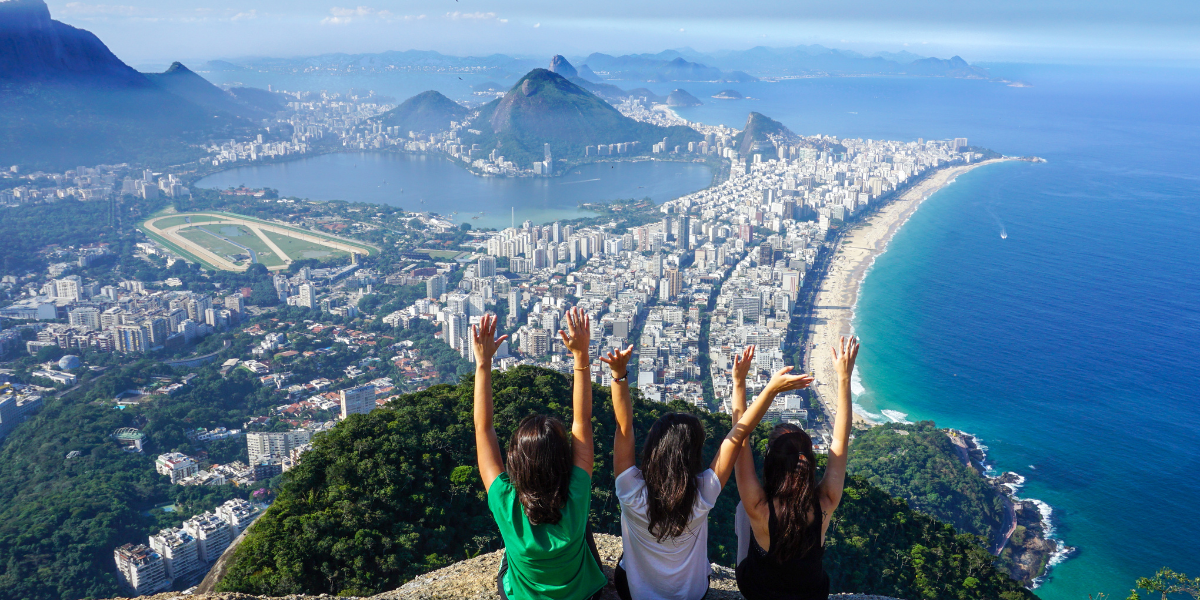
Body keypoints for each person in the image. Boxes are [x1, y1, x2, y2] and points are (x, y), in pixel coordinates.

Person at [598, 344, 813, 600]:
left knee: (624, 560)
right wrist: (760, 388)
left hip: (634, 593)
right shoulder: (702, 492)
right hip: (693, 594)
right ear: (693, 456)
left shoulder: (629, 489)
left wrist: (619, 376)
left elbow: (624, 426)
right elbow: (738, 434)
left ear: (653, 449)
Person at [472, 310, 607, 600]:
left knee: (511, 550)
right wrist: (581, 358)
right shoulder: (576, 494)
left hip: (521, 595)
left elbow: (483, 430)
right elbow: (581, 422)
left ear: (515, 464)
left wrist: (483, 364)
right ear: (563, 460)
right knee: (583, 527)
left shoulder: (505, 501)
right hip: (582, 595)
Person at [732, 337, 859, 600]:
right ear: (809, 462)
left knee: (741, 509)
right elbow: (839, 440)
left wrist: (739, 383)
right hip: (812, 594)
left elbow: (739, 440)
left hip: (759, 593)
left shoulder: (759, 507)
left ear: (771, 462)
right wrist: (844, 377)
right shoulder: (825, 501)